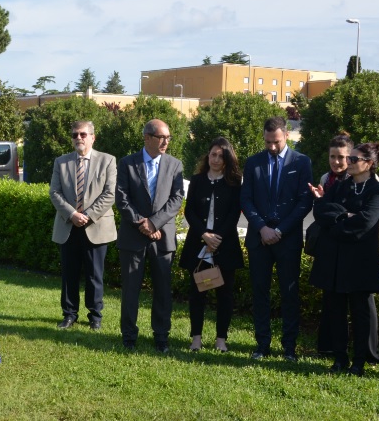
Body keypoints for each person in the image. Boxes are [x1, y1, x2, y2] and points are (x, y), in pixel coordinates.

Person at [308, 142, 379, 376]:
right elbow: (321, 211)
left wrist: (337, 221)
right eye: (349, 159)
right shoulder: (341, 186)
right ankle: (340, 357)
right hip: (334, 259)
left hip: (360, 262)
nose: (348, 163)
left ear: (369, 164)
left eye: (354, 159)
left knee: (360, 313)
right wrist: (344, 216)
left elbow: (365, 223)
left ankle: (359, 361)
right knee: (336, 310)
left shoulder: (377, 191)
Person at [240, 116, 313, 361]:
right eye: (268, 142)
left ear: (287, 136)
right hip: (259, 238)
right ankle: (262, 344)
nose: (272, 147)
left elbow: (305, 202)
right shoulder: (253, 163)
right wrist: (261, 228)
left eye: (276, 142)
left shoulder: (302, 162)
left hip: (288, 238)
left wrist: (280, 230)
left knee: (289, 293)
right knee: (260, 292)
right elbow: (246, 199)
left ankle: (289, 347)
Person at [115, 119, 185, 352]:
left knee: (163, 290)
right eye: (161, 137)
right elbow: (122, 198)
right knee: (131, 289)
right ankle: (129, 337)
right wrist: (141, 224)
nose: (166, 142)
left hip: (162, 238)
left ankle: (161, 337)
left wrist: (154, 223)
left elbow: (176, 199)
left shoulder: (175, 165)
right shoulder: (127, 163)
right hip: (132, 238)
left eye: (168, 137)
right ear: (147, 137)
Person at [177, 137, 244, 352]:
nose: (215, 159)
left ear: (227, 159)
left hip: (225, 245)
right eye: (213, 154)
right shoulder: (197, 180)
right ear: (208, 156)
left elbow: (234, 214)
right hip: (198, 243)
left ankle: (221, 339)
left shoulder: (234, 183)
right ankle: (196, 337)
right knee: (198, 291)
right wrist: (204, 235)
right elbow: (190, 212)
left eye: (221, 156)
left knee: (225, 294)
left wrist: (216, 238)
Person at [49, 120, 117, 330]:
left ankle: (95, 316)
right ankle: (69, 315)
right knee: (69, 274)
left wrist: (86, 215)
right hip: (68, 227)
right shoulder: (61, 162)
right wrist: (72, 215)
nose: (78, 138)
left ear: (92, 137)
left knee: (94, 275)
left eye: (83, 134)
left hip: (95, 227)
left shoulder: (107, 160)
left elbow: (110, 193)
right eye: (74, 135)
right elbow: (54, 192)